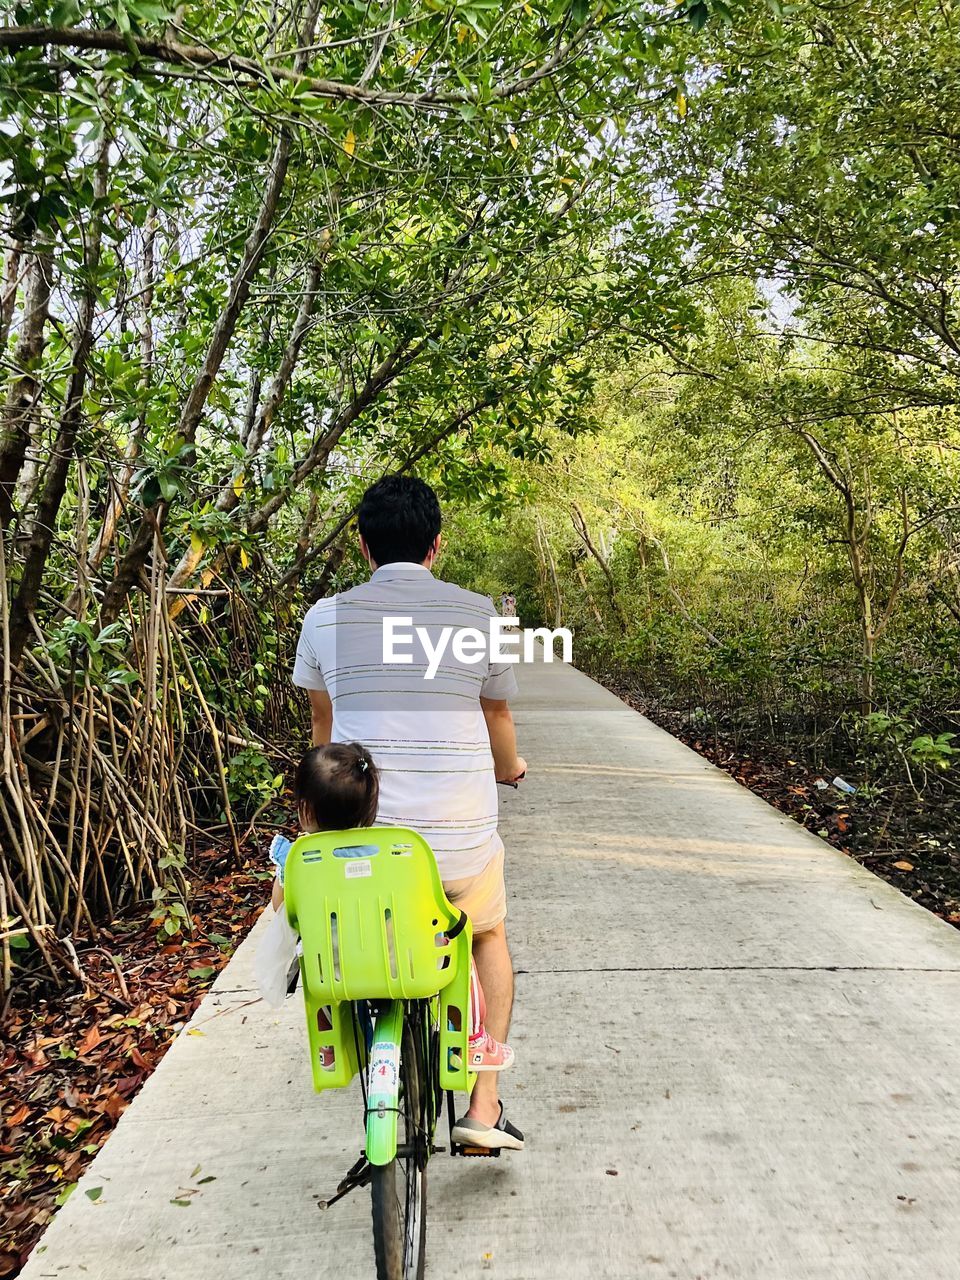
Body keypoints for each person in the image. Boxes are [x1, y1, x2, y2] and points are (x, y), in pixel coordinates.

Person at [293, 475, 526, 1152]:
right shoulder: (479, 614)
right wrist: (508, 768)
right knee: (486, 936)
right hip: (456, 851)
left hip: (360, 847)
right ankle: (483, 1105)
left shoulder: (325, 618)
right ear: (437, 545)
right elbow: (498, 714)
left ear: (363, 546)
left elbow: (323, 730)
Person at [265, 742, 514, 1073]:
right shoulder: (391, 852)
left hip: (336, 967)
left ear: (304, 808)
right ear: (371, 807)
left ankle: (330, 1047)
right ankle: (472, 1040)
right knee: (461, 950)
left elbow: (282, 908)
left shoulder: (296, 857)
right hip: (402, 960)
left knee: (313, 960)